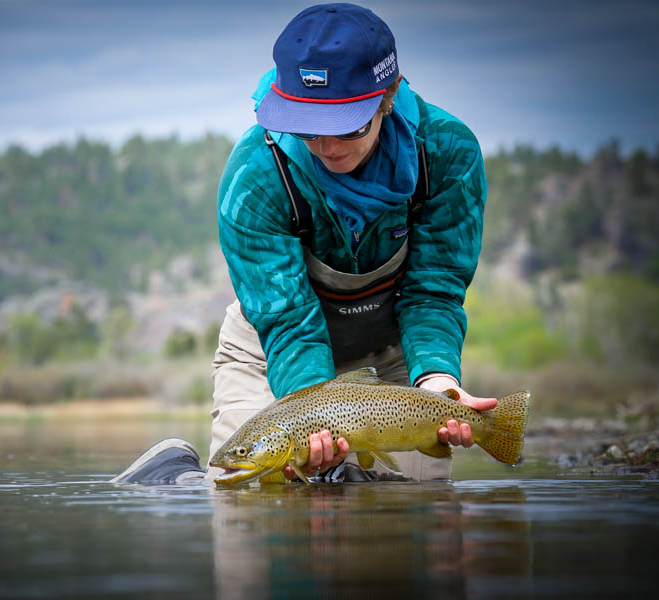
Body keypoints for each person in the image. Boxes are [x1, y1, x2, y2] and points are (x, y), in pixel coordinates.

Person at [113, 3, 496, 486]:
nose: (328, 145)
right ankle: (172, 479)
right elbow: (287, 320)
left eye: (348, 126)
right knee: (250, 495)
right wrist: (316, 418)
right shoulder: (255, 175)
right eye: (307, 127)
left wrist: (438, 380)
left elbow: (433, 292)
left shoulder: (447, 153)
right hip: (274, 349)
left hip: (393, 359)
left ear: (389, 95)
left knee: (406, 510)